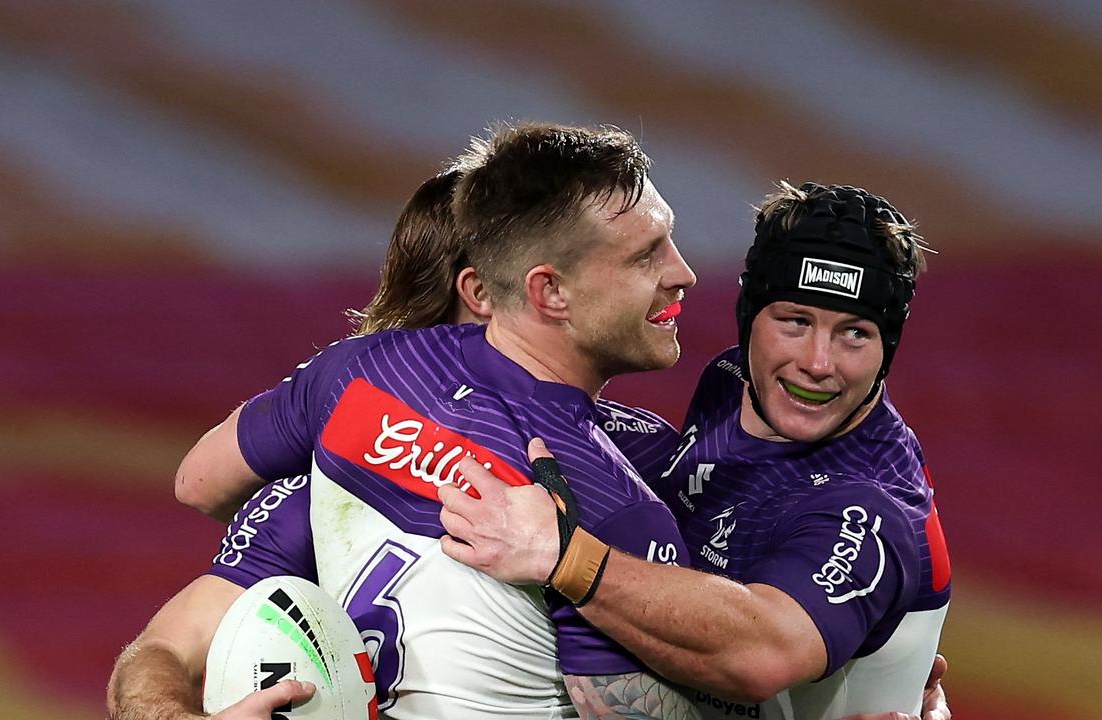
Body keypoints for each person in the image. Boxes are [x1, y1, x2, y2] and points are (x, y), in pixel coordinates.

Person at [110, 122, 704, 719]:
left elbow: (164, 626)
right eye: (646, 254)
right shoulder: (617, 488)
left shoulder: (348, 401)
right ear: (525, 290)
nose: (683, 274)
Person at [438, 182, 951, 719]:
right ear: (750, 316)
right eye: (795, 322)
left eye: (855, 334)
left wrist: (564, 556)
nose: (818, 364)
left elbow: (761, 656)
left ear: (887, 348)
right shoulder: (733, 380)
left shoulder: (871, 504)